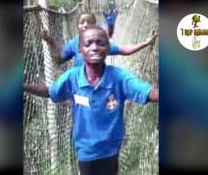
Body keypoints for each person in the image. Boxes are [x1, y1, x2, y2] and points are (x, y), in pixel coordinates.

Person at [24, 26, 159, 175]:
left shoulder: (119, 78)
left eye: (100, 43)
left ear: (108, 49)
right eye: (88, 44)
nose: (94, 48)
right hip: (86, 151)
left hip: (111, 149)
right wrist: (24, 85)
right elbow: (50, 91)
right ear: (80, 50)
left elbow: (147, 92)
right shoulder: (72, 78)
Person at [42, 12, 157, 66]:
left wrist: (146, 43)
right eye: (82, 22)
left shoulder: (100, 43)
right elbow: (59, 59)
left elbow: (125, 50)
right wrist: (50, 41)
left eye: (90, 22)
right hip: (79, 88)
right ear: (77, 26)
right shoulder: (74, 43)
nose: (86, 25)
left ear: (95, 25)